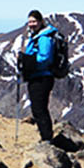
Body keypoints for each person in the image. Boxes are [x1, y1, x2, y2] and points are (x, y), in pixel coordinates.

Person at [19, 10, 60, 142]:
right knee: (38, 108)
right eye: (30, 21)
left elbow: (45, 58)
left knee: (39, 108)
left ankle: (47, 138)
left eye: (34, 21)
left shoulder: (43, 38)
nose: (32, 24)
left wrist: (27, 61)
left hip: (41, 77)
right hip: (37, 76)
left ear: (41, 22)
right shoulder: (37, 36)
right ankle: (46, 136)